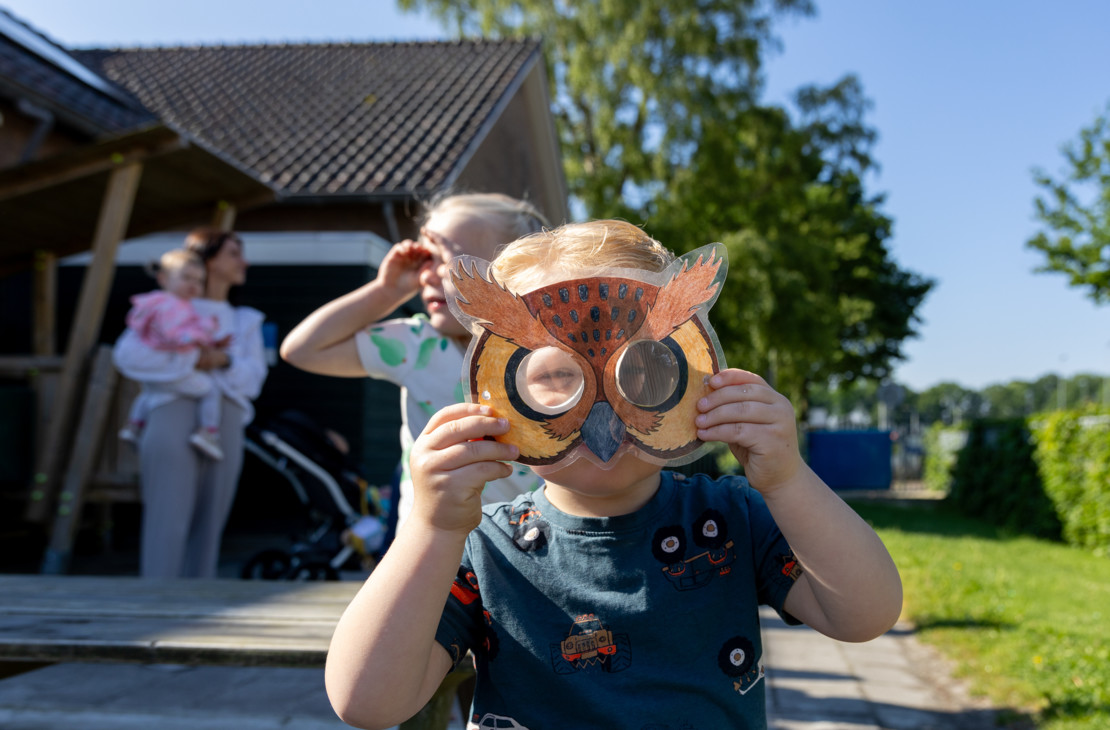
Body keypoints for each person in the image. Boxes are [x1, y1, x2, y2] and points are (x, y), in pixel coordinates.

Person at [323, 220, 904, 730]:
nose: (604, 413)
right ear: (497, 389)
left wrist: (786, 479)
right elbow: (368, 702)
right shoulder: (482, 547)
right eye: (553, 375)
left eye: (643, 368)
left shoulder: (731, 520)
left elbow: (865, 615)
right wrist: (430, 528)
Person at [280, 192, 551, 530]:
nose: (427, 274)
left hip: (524, 543)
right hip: (428, 549)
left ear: (515, 273)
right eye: (426, 260)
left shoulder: (549, 358)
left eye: (445, 259)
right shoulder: (417, 344)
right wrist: (386, 290)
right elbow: (302, 349)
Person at [112, 227, 268, 579]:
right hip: (171, 410)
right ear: (208, 259)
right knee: (166, 518)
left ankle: (197, 609)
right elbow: (128, 356)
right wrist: (194, 361)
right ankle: (156, 606)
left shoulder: (246, 321)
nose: (243, 261)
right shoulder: (164, 307)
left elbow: (252, 379)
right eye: (233, 253)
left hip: (224, 420)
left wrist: (222, 361)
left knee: (211, 521)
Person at [118, 248, 230, 460]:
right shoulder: (172, 306)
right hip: (170, 365)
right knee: (210, 390)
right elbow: (173, 334)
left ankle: (134, 425)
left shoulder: (159, 302)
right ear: (163, 278)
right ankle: (208, 432)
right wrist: (201, 338)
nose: (193, 285)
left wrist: (211, 341)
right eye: (186, 277)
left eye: (198, 280)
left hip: (159, 365)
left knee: (149, 391)